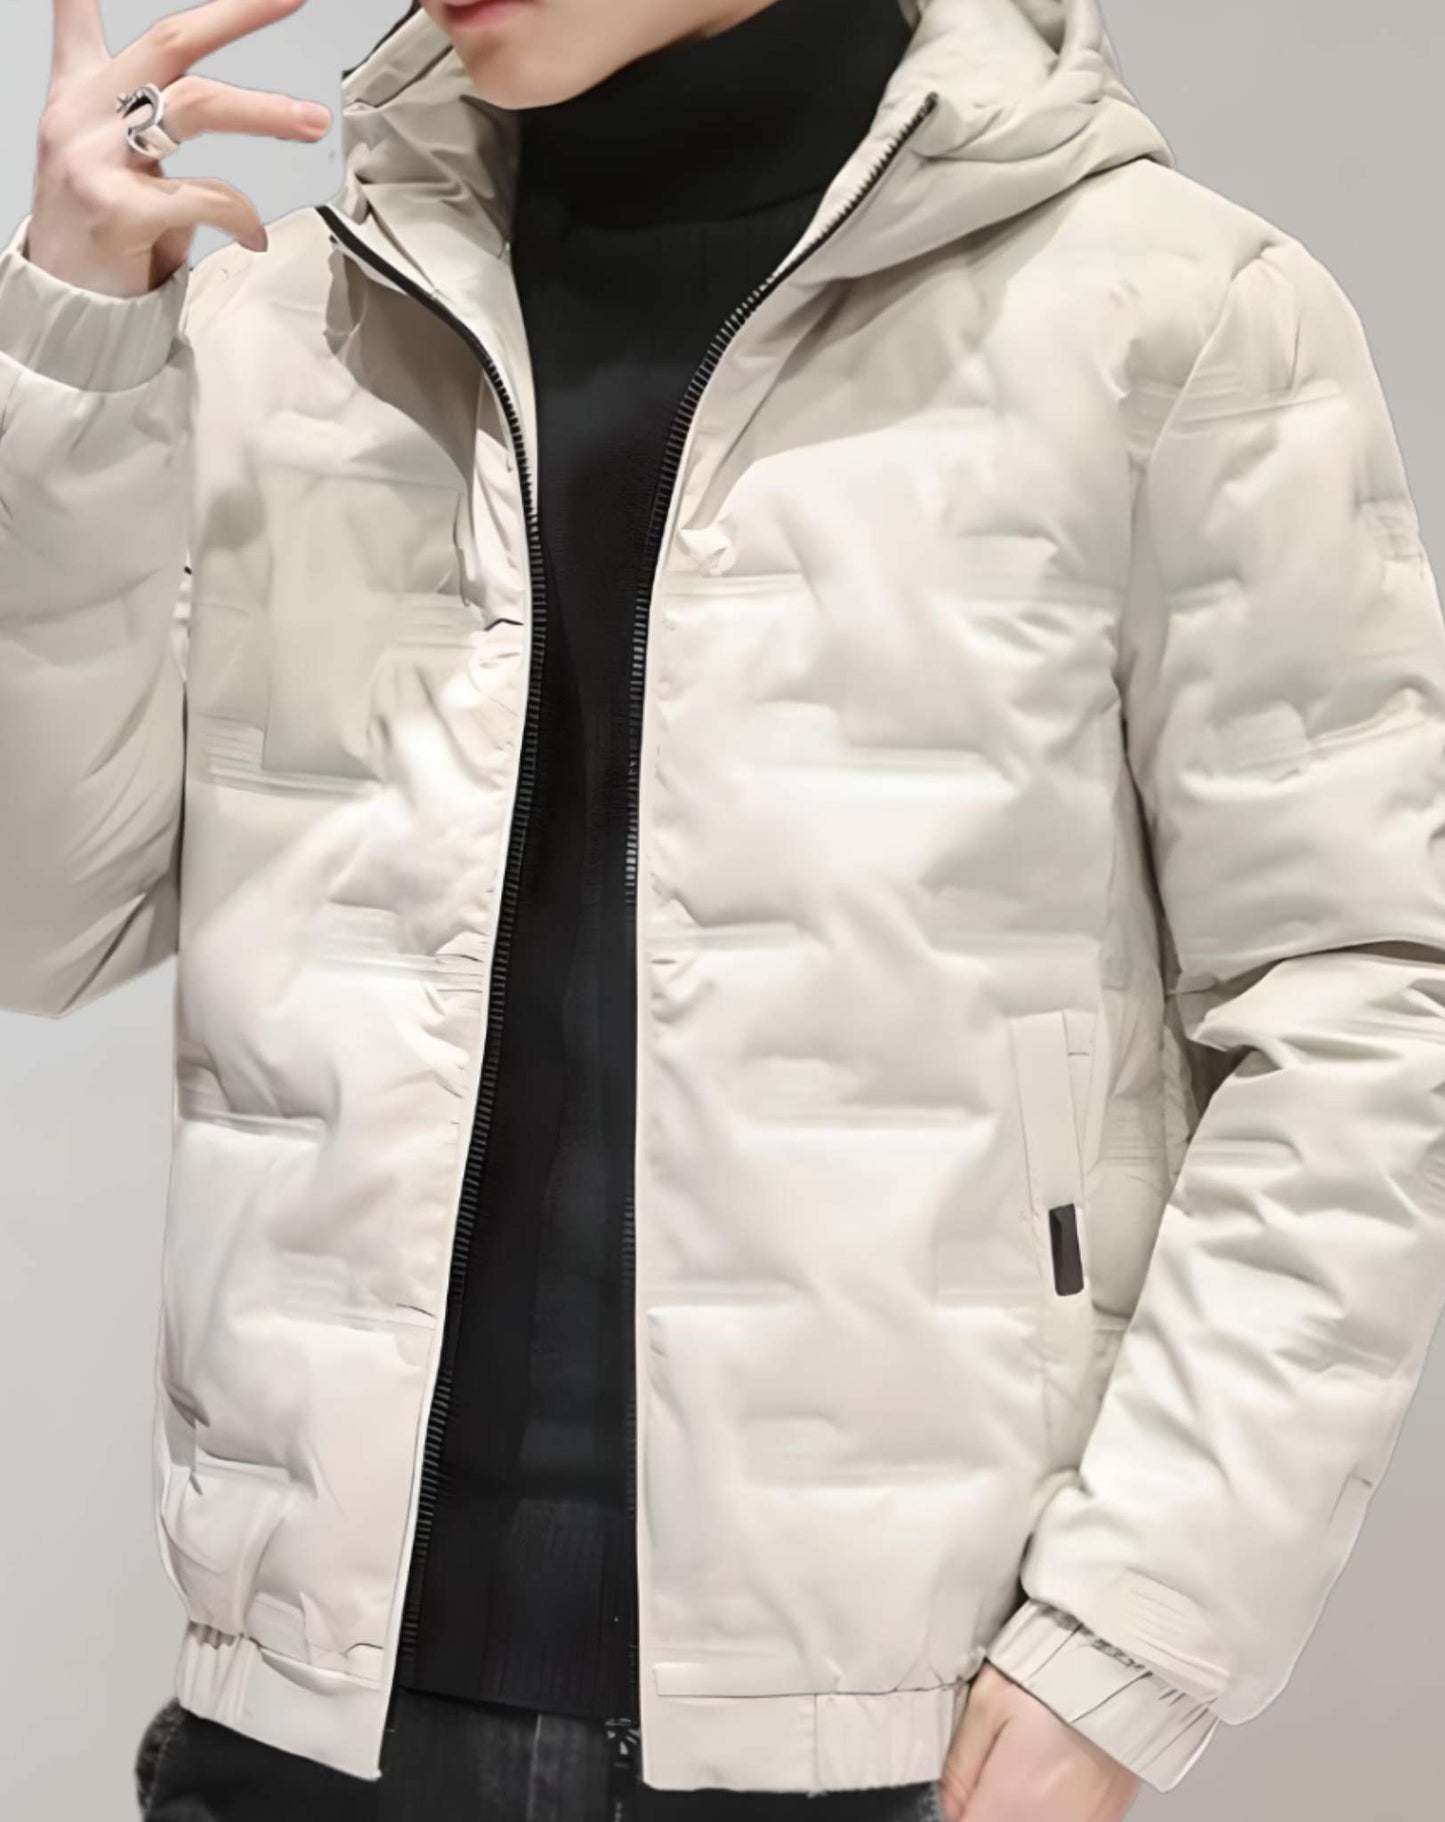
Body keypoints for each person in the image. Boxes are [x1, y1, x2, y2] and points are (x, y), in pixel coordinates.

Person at [4, 0, 1443, 1817]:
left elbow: (1357, 1008)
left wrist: (1132, 1632)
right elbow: (42, 914)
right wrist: (72, 344)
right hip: (306, 1730)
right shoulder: (290, 326)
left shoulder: (1169, 314)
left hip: (874, 1739)